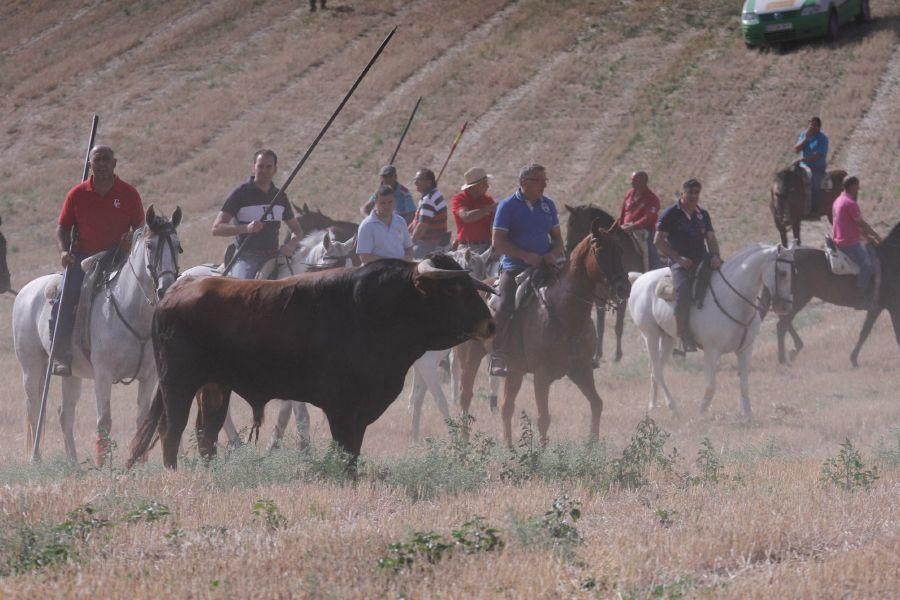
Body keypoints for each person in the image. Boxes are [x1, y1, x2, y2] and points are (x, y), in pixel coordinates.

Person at [52, 145, 145, 376]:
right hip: (84, 258)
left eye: (106, 159)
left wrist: (131, 241)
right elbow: (62, 229)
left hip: (119, 257)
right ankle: (61, 352)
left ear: (115, 163)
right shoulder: (77, 194)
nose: (101, 163)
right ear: (89, 164)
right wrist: (64, 252)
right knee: (66, 295)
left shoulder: (129, 193)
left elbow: (141, 229)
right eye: (97, 159)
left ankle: (150, 350)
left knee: (147, 293)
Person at [489, 164, 565, 377]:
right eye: (538, 180)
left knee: (569, 295)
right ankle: (499, 354)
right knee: (504, 305)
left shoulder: (548, 205)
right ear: (523, 183)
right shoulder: (508, 206)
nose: (544, 184)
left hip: (546, 265)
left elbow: (558, 239)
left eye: (545, 180)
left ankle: (574, 349)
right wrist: (525, 256)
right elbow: (498, 242)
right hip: (515, 268)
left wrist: (553, 254)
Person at [212, 149, 305, 280]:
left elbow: (297, 231)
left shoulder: (280, 196)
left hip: (274, 257)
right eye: (260, 166)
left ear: (275, 169)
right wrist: (246, 228)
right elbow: (216, 228)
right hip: (246, 257)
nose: (264, 170)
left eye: (268, 167)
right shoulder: (240, 193)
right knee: (243, 292)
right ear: (253, 167)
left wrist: (291, 245)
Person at [654, 178, 722, 353]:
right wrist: (677, 259)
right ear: (682, 193)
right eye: (690, 192)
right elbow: (658, 241)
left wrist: (715, 256)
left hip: (702, 259)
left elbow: (711, 239)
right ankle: (683, 338)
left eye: (696, 193)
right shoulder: (671, 214)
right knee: (683, 293)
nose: (693, 196)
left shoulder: (703, 215)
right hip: (681, 263)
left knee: (723, 282)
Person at [832, 176, 882, 308]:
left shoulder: (838, 200)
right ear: (853, 186)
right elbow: (861, 223)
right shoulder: (850, 203)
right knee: (868, 266)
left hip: (841, 238)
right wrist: (877, 236)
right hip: (848, 243)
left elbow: (850, 224)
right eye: (857, 187)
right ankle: (860, 297)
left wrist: (866, 236)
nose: (858, 190)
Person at [357, 184, 414, 264]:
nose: (387, 206)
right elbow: (364, 257)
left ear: (395, 201)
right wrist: (392, 262)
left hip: (401, 269)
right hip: (377, 272)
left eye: (390, 202)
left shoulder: (400, 221)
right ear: (376, 202)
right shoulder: (367, 226)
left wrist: (408, 259)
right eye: (383, 203)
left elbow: (408, 247)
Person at [618, 170, 662, 270]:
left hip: (644, 232)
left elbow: (647, 218)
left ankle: (656, 270)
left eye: (635, 180)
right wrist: (620, 226)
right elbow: (623, 211)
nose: (632, 183)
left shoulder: (653, 199)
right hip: (625, 229)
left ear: (644, 182)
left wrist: (632, 227)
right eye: (632, 180)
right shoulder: (629, 194)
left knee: (651, 251)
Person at [450, 167, 497, 253]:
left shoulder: (488, 200)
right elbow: (466, 217)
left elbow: (494, 224)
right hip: (467, 248)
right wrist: (489, 208)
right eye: (484, 184)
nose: (487, 186)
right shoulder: (459, 199)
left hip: (487, 246)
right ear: (473, 187)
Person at [409, 168, 448, 258]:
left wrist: (409, 244)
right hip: (432, 242)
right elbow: (416, 221)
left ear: (429, 182)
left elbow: (422, 227)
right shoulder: (433, 195)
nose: (415, 183)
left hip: (428, 245)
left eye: (419, 180)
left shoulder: (429, 199)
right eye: (415, 180)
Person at [793, 116, 829, 214]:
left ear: (819, 127)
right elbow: (796, 149)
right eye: (811, 125)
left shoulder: (823, 139)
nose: (812, 127)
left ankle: (814, 209)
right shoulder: (804, 135)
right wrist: (805, 139)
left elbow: (815, 156)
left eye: (815, 125)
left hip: (816, 166)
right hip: (803, 165)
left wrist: (802, 159)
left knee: (814, 184)